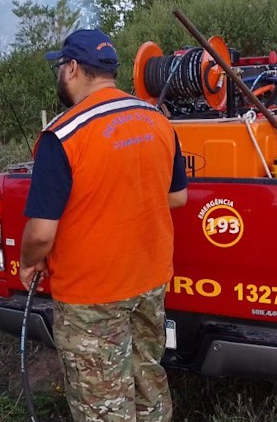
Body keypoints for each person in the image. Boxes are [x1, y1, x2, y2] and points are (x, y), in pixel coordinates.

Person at [18, 29, 188, 422]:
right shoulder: (157, 121)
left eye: (61, 66)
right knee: (148, 381)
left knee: (101, 405)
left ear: (73, 68)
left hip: (90, 295)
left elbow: (42, 232)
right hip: (150, 281)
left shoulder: (62, 135)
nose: (60, 74)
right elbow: (177, 196)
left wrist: (29, 261)